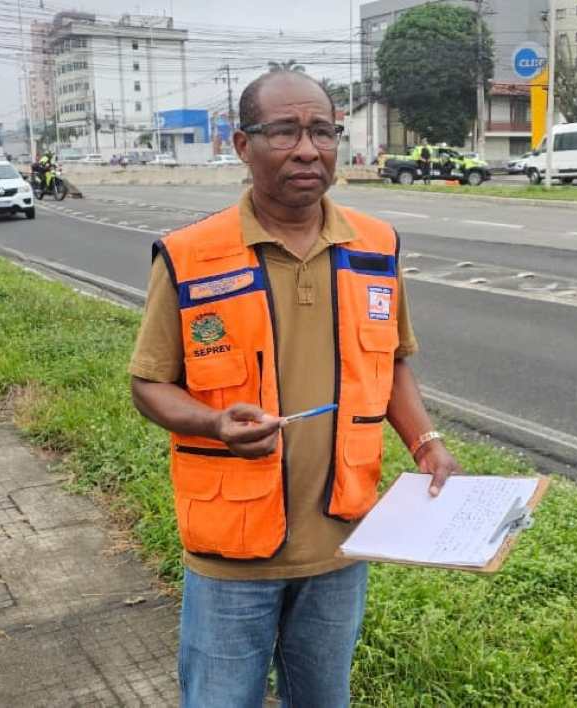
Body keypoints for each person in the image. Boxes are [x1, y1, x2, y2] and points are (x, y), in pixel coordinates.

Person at [130, 70, 460, 707]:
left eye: (322, 131)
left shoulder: (376, 246)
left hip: (341, 546)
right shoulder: (190, 255)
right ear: (241, 144)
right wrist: (213, 424)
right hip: (234, 553)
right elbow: (149, 384)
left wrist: (426, 443)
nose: (307, 149)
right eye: (284, 131)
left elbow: (389, 365)